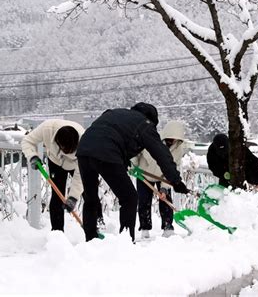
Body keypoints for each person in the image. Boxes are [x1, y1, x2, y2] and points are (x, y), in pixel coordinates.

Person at [75, 102, 190, 242]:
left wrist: (123, 160)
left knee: (90, 198)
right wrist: (176, 181)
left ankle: (91, 239)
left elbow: (111, 135)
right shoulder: (144, 124)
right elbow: (162, 154)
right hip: (107, 153)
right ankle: (126, 241)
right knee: (129, 198)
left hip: (83, 150)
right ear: (151, 119)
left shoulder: (115, 113)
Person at [21, 119, 100, 231]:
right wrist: (32, 156)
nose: (65, 154)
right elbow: (27, 141)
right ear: (57, 142)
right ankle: (57, 232)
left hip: (76, 163)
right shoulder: (47, 129)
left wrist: (73, 197)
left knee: (89, 192)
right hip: (55, 161)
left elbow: (80, 177)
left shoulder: (84, 144)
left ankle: (94, 227)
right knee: (57, 196)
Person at [132, 120, 187, 239]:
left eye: (174, 139)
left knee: (166, 199)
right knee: (143, 201)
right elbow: (136, 153)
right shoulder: (151, 139)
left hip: (162, 176)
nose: (171, 141)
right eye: (169, 138)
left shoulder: (178, 149)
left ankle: (168, 227)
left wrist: (164, 188)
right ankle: (145, 228)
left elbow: (172, 168)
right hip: (144, 175)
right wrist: (134, 166)